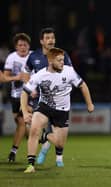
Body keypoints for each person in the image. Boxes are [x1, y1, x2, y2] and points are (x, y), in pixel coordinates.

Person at [21, 47, 94, 173]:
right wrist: (24, 112)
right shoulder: (40, 75)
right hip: (45, 107)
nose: (62, 62)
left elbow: (83, 85)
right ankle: (31, 164)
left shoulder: (69, 71)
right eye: (59, 60)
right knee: (34, 129)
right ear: (50, 61)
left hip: (62, 111)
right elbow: (25, 92)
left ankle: (46, 136)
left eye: (63, 59)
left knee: (60, 144)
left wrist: (89, 104)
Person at [23, 27, 73, 167]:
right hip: (40, 99)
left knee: (58, 132)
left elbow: (70, 74)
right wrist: (29, 88)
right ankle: (42, 147)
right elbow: (26, 74)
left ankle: (58, 158)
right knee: (32, 129)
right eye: (47, 38)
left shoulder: (62, 55)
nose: (51, 40)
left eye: (52, 37)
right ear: (41, 41)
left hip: (59, 99)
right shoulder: (33, 57)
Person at [3, 33, 31, 162]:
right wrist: (17, 77)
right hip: (15, 95)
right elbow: (3, 77)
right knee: (21, 124)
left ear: (28, 46)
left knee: (21, 121)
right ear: (16, 47)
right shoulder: (11, 57)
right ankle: (41, 140)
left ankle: (13, 152)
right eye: (20, 45)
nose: (22, 47)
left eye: (25, 45)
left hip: (30, 95)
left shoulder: (34, 56)